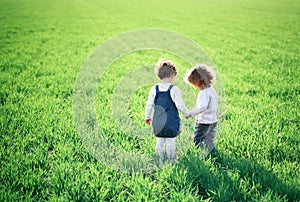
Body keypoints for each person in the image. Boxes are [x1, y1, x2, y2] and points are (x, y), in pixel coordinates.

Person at [145, 59, 189, 163]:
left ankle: (159, 160)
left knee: (159, 142)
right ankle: (171, 160)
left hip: (158, 121)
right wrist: (186, 113)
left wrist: (147, 116)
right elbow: (180, 105)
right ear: (171, 76)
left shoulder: (154, 89)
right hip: (171, 121)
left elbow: (149, 104)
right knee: (170, 142)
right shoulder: (174, 89)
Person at [184, 64, 218, 155]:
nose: (195, 87)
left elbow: (202, 107)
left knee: (197, 140)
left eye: (194, 84)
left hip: (204, 122)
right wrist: (216, 115)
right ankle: (212, 153)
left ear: (200, 81)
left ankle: (200, 154)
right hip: (213, 121)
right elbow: (215, 105)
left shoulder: (203, 93)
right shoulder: (212, 90)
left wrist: (190, 113)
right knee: (209, 140)